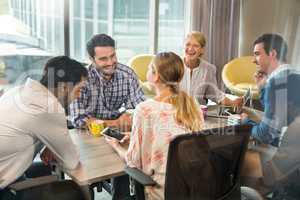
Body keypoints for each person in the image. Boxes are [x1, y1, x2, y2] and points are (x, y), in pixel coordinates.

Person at [106, 52, 204, 200]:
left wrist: (116, 146)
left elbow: (133, 162)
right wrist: (134, 136)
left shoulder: (145, 109)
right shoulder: (192, 104)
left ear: (156, 76)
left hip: (163, 191)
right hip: (195, 187)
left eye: (149, 68)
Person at [0, 56, 88, 199]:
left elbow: (26, 129)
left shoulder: (19, 91)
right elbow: (71, 162)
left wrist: (49, 144)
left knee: (44, 168)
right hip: (4, 188)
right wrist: (57, 146)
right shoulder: (48, 107)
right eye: (79, 90)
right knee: (74, 191)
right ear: (65, 87)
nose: (78, 96)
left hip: (8, 170)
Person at [69, 34, 145, 131]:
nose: (110, 62)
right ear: (92, 59)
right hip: (88, 133)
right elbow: (79, 119)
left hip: (118, 132)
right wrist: (116, 123)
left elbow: (140, 109)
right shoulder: (81, 79)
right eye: (103, 59)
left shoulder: (128, 74)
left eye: (113, 56)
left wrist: (129, 115)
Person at [241, 33, 300, 147]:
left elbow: (265, 136)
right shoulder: (295, 74)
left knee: (229, 152)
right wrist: (262, 88)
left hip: (288, 151)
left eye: (257, 54)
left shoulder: (276, 83)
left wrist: (246, 122)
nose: (253, 60)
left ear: (272, 53)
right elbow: (278, 113)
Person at [180, 31, 243, 106]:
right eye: (187, 44)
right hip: (174, 112)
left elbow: (214, 94)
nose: (190, 49)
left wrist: (233, 102)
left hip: (198, 113)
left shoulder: (208, 69)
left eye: (196, 46)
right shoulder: (174, 65)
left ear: (202, 50)